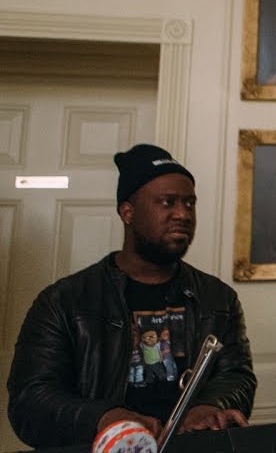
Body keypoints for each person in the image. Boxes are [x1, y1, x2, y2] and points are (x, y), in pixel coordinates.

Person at [6, 144, 256, 448]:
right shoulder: (64, 302)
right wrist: (104, 418)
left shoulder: (218, 299)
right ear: (127, 212)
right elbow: (29, 402)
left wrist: (210, 406)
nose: (182, 214)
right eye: (167, 202)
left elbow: (237, 377)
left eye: (189, 204)